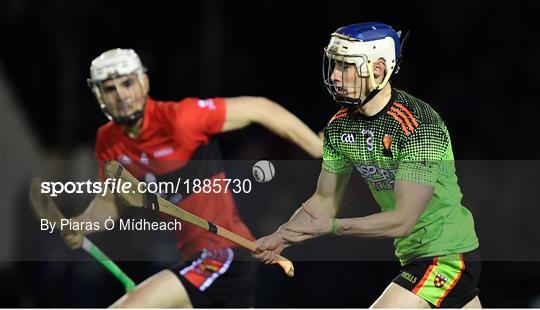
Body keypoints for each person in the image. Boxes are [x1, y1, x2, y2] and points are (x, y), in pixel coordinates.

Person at [61, 48, 323, 308]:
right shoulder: (108, 142)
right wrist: (81, 224)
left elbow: (259, 108)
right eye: (109, 88)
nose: (121, 95)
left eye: (127, 83)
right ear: (98, 95)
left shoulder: (179, 120)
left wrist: (315, 146)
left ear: (144, 82)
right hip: (195, 261)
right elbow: (108, 204)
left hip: (224, 256)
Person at [253, 22, 481, 308]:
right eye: (333, 64)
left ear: (378, 69)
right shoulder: (339, 127)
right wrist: (281, 237)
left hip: (447, 257)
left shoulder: (420, 126)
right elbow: (323, 201)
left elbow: (403, 220)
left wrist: (333, 227)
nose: (335, 76)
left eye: (345, 66)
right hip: (414, 257)